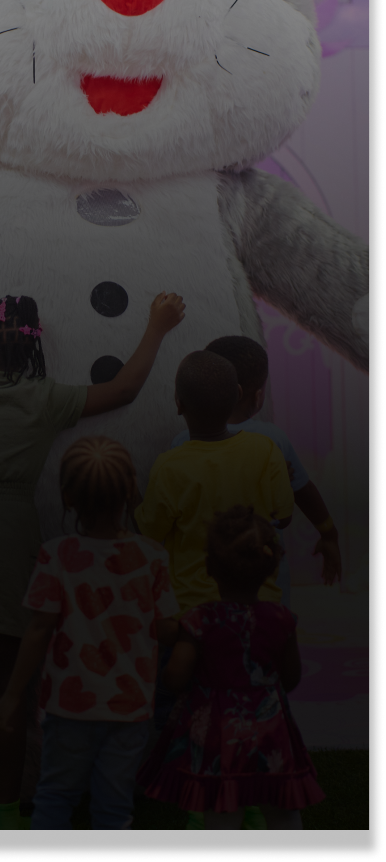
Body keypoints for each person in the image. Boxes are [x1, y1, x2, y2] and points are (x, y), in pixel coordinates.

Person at [0, 288, 185, 831]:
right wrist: (157, 327)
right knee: (5, 693)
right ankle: (8, 814)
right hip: (10, 548)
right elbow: (123, 389)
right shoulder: (44, 398)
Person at [0, 437, 180, 830]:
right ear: (130, 490)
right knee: (114, 808)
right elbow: (166, 630)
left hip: (68, 706)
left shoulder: (56, 555)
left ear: (68, 497)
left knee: (55, 798)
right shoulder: (153, 557)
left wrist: (11, 696)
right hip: (130, 706)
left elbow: (38, 630)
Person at [136, 505, 325, 830]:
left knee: (221, 812)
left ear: (209, 567)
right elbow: (291, 677)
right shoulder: (282, 619)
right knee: (282, 809)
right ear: (271, 566)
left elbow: (175, 677)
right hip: (271, 728)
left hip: (217, 735)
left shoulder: (199, 620)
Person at [170, 336, 342, 608]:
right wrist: (329, 534)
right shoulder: (272, 440)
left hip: (199, 584)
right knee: (268, 631)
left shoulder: (181, 443)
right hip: (264, 583)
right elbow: (302, 493)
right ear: (256, 396)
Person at [133, 350, 294, 615]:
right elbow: (284, 518)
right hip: (259, 601)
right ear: (238, 394)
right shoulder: (266, 450)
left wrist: (131, 492)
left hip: (194, 610)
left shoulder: (169, 466)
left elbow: (148, 533)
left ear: (178, 404)